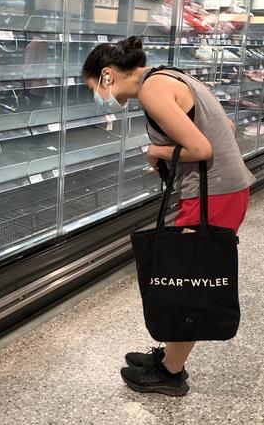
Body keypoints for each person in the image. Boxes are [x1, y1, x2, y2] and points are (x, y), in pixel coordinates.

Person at [82, 36, 255, 396]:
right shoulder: (169, 76)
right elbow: (228, 127)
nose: (100, 96)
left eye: (95, 87)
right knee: (187, 273)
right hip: (223, 190)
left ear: (108, 75)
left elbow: (200, 147)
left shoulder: (152, 91)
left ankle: (170, 373)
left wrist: (155, 150)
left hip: (214, 195)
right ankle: (169, 357)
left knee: (188, 280)